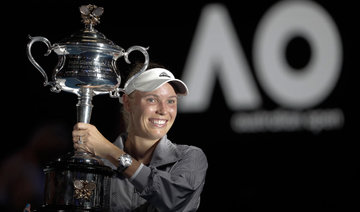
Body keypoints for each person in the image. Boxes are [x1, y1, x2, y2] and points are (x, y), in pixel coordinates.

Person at [72, 62, 208, 211]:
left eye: (171, 101)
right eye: (152, 99)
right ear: (127, 103)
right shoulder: (98, 164)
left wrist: (111, 152)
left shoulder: (190, 158)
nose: (163, 110)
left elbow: (173, 198)